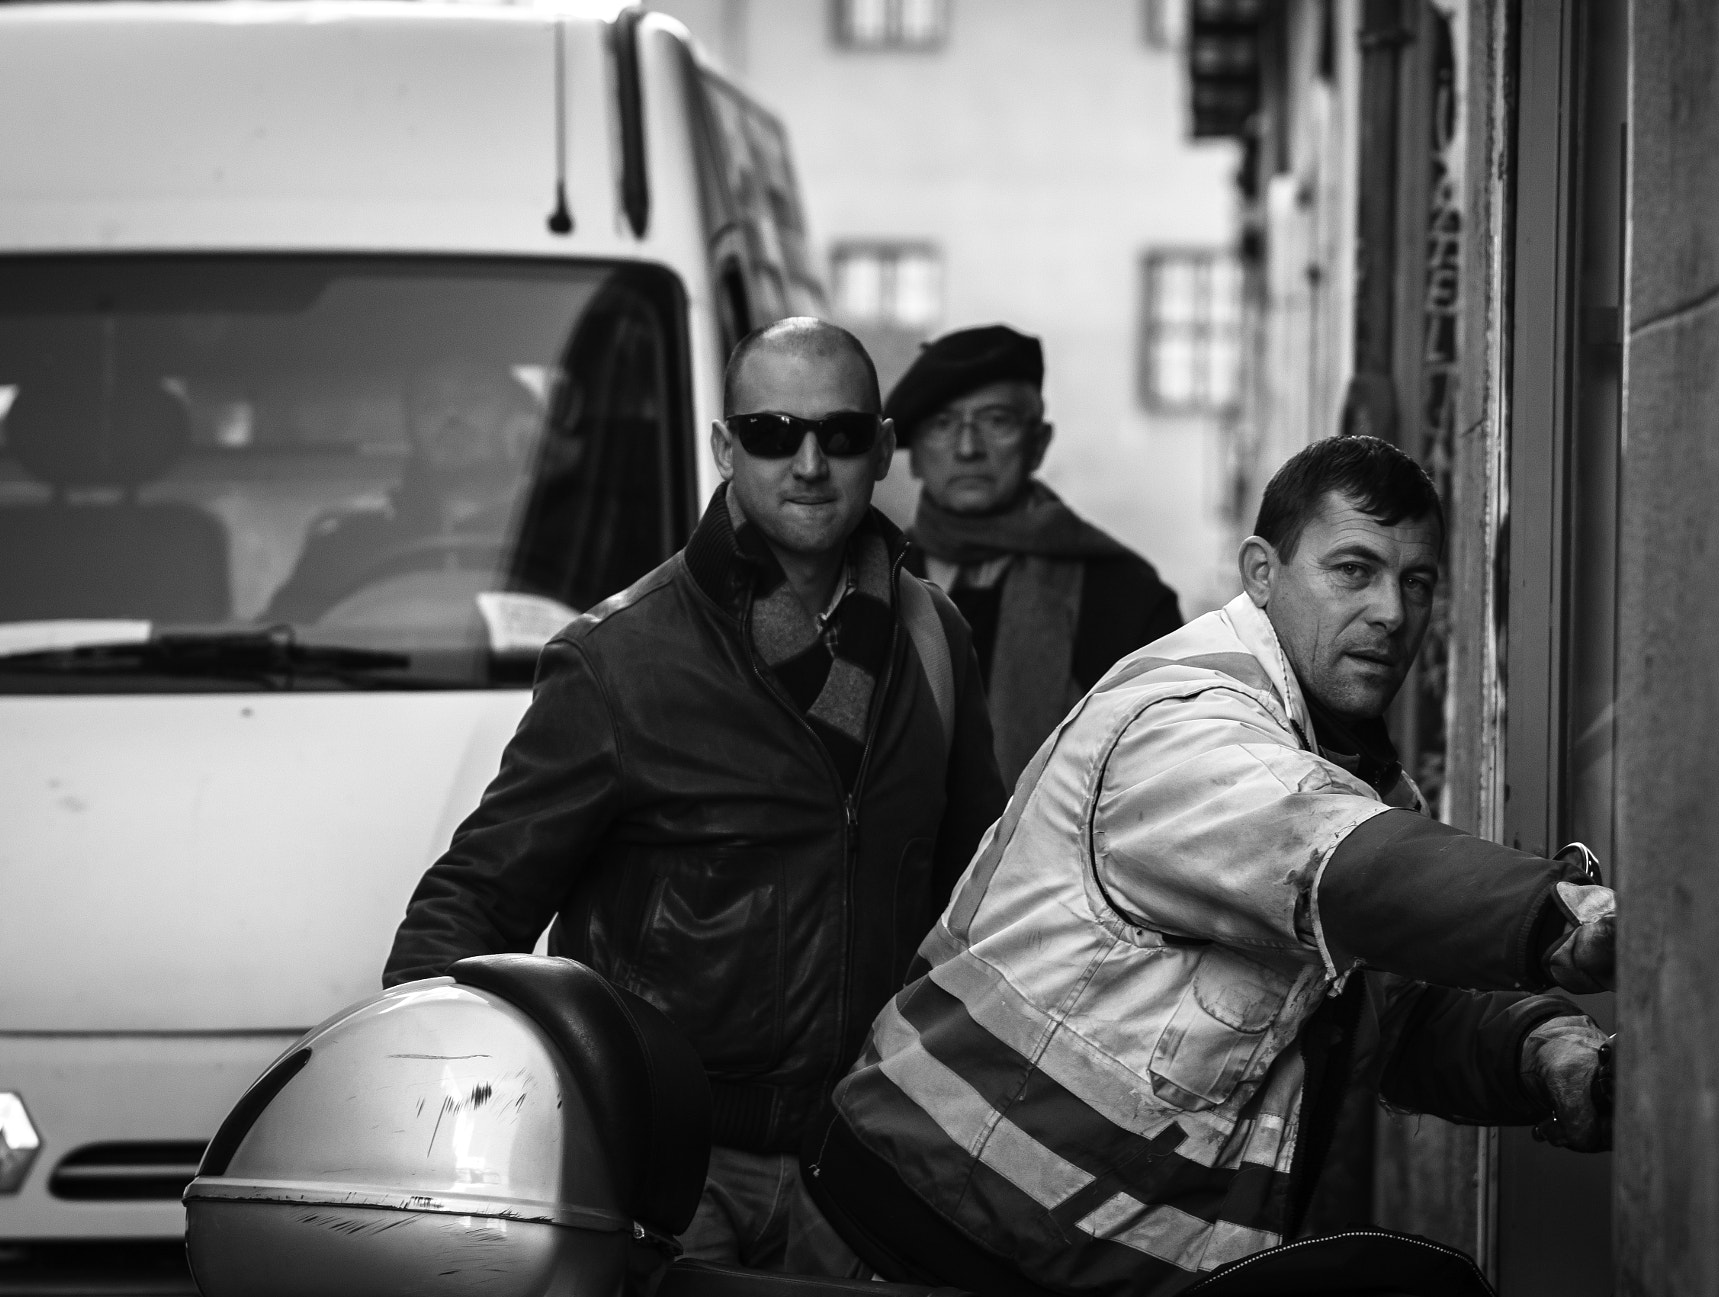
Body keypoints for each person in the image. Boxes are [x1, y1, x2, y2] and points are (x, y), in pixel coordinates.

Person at [811, 435, 1617, 1297]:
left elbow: (1388, 1010)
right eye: (1354, 569)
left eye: (1416, 582)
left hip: (1064, 1267)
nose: (1391, 610)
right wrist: (1559, 914)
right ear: (1262, 573)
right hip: (918, 1246)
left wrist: (1540, 1048)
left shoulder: (1353, 781)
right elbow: (1332, 855)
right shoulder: (1184, 723)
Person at [382, 319, 1008, 1276]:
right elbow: (473, 900)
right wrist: (434, 1115)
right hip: (667, 1168)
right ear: (725, 448)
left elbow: (983, 901)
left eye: (840, 435)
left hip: (864, 1163)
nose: (808, 461)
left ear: (882, 450)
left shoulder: (935, 640)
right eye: (772, 431)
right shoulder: (618, 660)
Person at [888, 324, 1182, 784]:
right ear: (914, 455)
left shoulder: (1124, 599)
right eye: (942, 425)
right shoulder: (874, 583)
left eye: (996, 421)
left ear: (1038, 443)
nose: (967, 448)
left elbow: (1162, 780)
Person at [263, 359, 542, 622]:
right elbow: (277, 643)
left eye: (475, 399)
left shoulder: (561, 538)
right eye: (430, 405)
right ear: (411, 430)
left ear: (517, 419)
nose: (451, 415)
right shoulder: (346, 545)